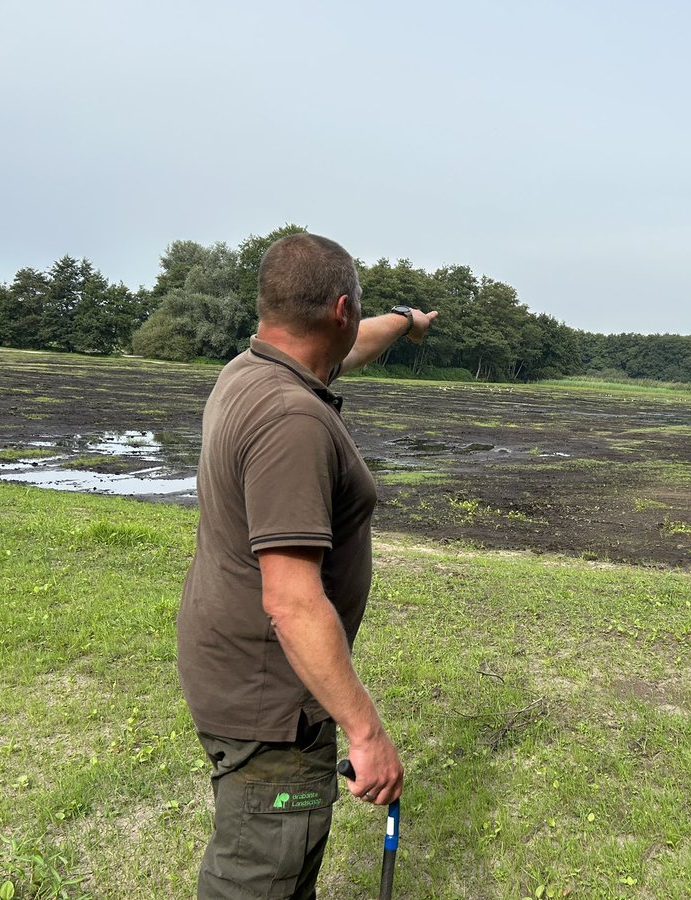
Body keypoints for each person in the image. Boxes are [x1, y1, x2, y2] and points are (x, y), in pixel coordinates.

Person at [177, 232, 437, 899]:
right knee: (260, 874)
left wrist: (407, 323)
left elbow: (353, 342)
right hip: (271, 702)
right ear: (340, 310)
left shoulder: (252, 368)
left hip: (238, 675)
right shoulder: (293, 419)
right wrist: (366, 733)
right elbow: (292, 601)